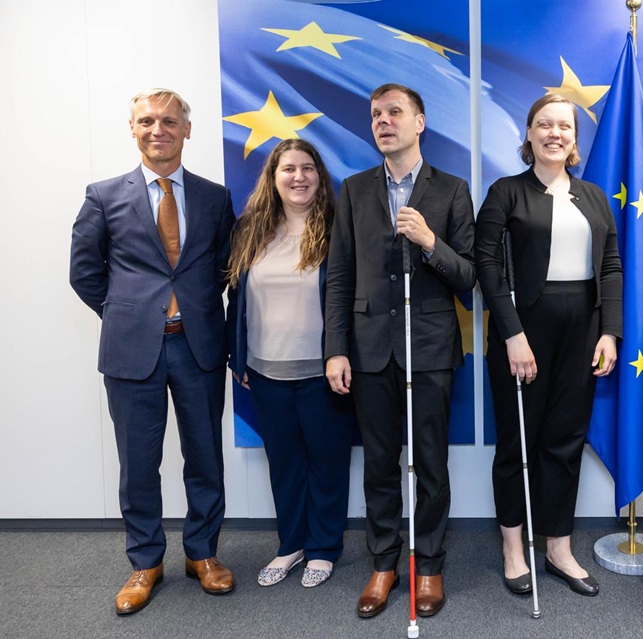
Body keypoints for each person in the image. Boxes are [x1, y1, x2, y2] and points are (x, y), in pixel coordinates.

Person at [70, 88, 236, 615]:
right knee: (138, 463)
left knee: (205, 457)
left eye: (168, 121)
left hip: (198, 346)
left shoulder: (215, 197)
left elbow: (224, 268)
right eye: (146, 121)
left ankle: (202, 553)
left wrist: (192, 309)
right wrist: (130, 315)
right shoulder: (103, 195)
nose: (157, 130)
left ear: (187, 129)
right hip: (131, 350)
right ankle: (145, 562)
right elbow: (84, 272)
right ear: (133, 129)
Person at [324, 83, 475, 619]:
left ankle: (428, 564)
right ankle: (385, 563)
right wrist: (335, 349)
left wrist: (431, 242)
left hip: (429, 348)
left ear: (419, 122)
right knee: (380, 465)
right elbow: (339, 275)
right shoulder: (353, 189)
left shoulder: (452, 189)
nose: (383, 122)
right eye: (375, 115)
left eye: (394, 112)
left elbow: (469, 277)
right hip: (368, 351)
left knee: (430, 463)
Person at [475, 94, 623, 597]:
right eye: (544, 124)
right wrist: (513, 334)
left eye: (564, 126)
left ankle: (558, 548)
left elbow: (610, 266)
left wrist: (609, 331)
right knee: (518, 443)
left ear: (575, 138)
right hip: (523, 329)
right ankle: (514, 549)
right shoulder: (505, 192)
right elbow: (487, 266)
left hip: (583, 328)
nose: (555, 133)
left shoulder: (594, 196)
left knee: (564, 441)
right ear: (530, 133)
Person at [226, 139, 353, 589]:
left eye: (307, 168)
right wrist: (237, 355)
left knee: (327, 464)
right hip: (265, 372)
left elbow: (350, 298)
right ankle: (291, 545)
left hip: (324, 372)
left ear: (319, 176)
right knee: (284, 463)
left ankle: (323, 548)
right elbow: (236, 299)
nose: (299, 177)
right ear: (273, 177)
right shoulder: (250, 229)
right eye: (288, 169)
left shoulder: (338, 227)